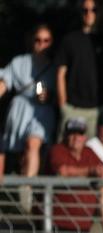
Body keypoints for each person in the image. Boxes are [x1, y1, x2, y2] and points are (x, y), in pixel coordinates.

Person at [46, 117, 103, 233]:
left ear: (85, 137)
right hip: (59, 223)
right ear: (65, 135)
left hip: (83, 224)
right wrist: (90, 170)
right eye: (72, 133)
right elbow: (63, 170)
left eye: (80, 134)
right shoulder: (58, 150)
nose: (76, 137)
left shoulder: (88, 152)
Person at [0, 24, 57, 180]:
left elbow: (54, 94)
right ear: (32, 41)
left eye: (46, 40)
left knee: (33, 144)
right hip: (20, 111)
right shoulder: (19, 62)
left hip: (41, 113)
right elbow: (5, 83)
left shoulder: (55, 66)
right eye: (38, 40)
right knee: (21, 154)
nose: (41, 44)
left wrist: (47, 97)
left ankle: (27, 189)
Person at [55, 0, 103, 140]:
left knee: (95, 157)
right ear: (80, 13)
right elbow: (60, 74)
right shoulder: (69, 41)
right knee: (65, 154)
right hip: (72, 109)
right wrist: (63, 106)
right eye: (85, 10)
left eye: (93, 9)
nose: (89, 13)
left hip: (100, 110)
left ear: (99, 12)